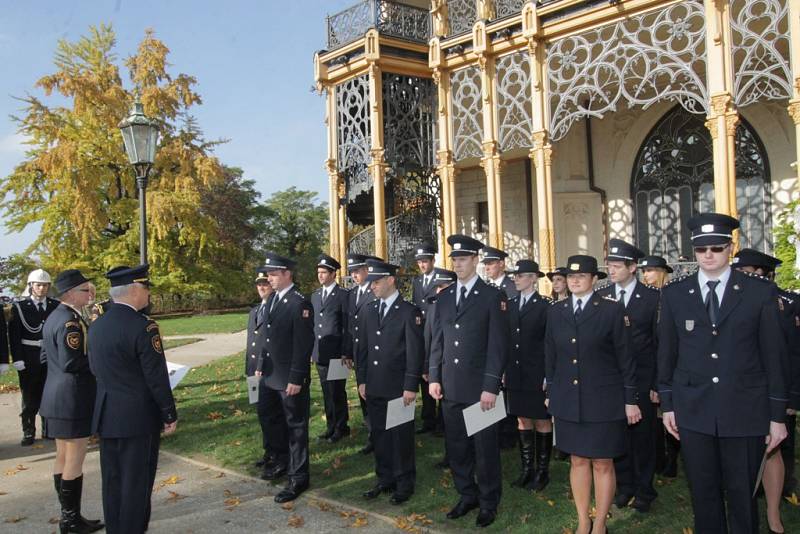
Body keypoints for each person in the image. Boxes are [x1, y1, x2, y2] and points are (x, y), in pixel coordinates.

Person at [658, 213, 788, 533]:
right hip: (694, 410)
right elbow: (667, 354)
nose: (708, 255)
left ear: (731, 247)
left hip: (745, 410)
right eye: (701, 249)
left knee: (743, 494)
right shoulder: (675, 293)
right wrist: (668, 405)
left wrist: (777, 416)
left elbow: (775, 357)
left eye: (716, 248)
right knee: (703, 494)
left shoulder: (759, 292)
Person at [545, 254, 641, 534]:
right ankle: (583, 519)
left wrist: (630, 400)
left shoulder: (611, 311)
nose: (574, 280)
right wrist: (551, 389)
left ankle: (600, 522)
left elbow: (626, 359)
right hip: (568, 398)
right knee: (577, 460)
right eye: (570, 276)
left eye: (581, 276)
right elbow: (550, 355)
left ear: (594, 280)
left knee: (602, 462)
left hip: (603, 399)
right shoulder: (556, 311)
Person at [88, 264, 177, 534]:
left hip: (107, 415)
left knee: (113, 482)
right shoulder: (144, 327)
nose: (148, 294)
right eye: (146, 287)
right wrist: (168, 413)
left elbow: (94, 369)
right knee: (136, 485)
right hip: (138, 418)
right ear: (135, 289)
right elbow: (156, 377)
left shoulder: (97, 326)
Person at [429, 234, 509, 528]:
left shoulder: (491, 296)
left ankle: (489, 502)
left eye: (463, 259)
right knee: (458, 447)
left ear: (476, 260)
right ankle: (467, 494)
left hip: (479, 389)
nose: (459, 264)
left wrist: (491, 386)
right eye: (455, 260)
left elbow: (498, 345)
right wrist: (435, 376)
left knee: (485, 450)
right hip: (451, 386)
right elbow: (438, 340)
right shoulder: (445, 296)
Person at [732, 248, 800, 534]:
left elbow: (793, 354)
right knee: (738, 454)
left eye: (751, 274)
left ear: (765, 275)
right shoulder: (725, 300)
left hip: (773, 391)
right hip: (736, 392)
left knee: (772, 452)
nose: (746, 279)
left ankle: (773, 514)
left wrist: (792, 397)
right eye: (742, 273)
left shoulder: (788, 302)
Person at [597, 239, 660, 513]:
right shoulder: (602, 296)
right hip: (612, 379)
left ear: (632, 267)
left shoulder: (653, 298)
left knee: (643, 437)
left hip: (643, 379)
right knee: (618, 435)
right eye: (609, 265)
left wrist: (658, 383)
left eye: (616, 265)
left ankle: (645, 490)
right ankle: (625, 486)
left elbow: (660, 343)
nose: (611, 270)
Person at [356, 259, 424, 504]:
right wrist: (362, 380)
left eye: (376, 282)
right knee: (380, 435)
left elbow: (415, 353)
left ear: (390, 280)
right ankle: (384, 478)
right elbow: (362, 349)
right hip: (374, 385)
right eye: (370, 282)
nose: (371, 286)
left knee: (400, 437)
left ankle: (404, 482)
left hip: (397, 387)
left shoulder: (408, 312)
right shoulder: (369, 310)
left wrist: (409, 386)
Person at [40, 270, 103, 533]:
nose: (90, 295)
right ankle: (70, 520)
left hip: (56, 396)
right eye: (85, 291)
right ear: (69, 294)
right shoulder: (69, 322)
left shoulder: (56, 316)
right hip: (72, 399)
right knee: (74, 459)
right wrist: (100, 362)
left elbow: (46, 358)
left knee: (63, 457)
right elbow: (71, 362)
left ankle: (71, 517)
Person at [255, 252, 314, 503]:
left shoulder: (299, 303)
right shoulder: (273, 299)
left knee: (296, 428)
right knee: (271, 420)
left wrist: (297, 378)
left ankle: (298, 477)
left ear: (287, 274)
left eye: (273, 274)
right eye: (268, 274)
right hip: (270, 375)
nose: (269, 278)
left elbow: (303, 344)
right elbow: (265, 338)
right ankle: (280, 462)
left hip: (288, 378)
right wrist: (259, 364)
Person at [505, 259, 552, 491]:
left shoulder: (545, 306)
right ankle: (527, 469)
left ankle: (542, 472)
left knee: (542, 420)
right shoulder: (510, 305)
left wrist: (547, 375)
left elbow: (549, 344)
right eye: (515, 275)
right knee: (522, 419)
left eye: (521, 275)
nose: (516, 278)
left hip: (536, 372)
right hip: (515, 372)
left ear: (534, 278)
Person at [638, 255, 680, 478]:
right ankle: (659, 458)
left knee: (671, 410)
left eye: (651, 270)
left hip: (672, 362)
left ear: (663, 271)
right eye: (644, 271)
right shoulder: (647, 297)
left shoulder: (671, 295)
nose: (647, 275)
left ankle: (672, 459)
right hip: (653, 362)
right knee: (656, 416)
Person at [9, 268, 59, 445]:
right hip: (29, 355)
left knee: (49, 394)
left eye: (45, 285)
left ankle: (49, 429)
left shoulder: (55, 306)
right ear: (31, 286)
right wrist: (18, 358)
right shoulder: (20, 308)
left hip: (51, 356)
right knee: (29, 396)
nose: (42, 289)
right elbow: (14, 335)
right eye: (38, 285)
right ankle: (28, 430)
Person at [310, 254, 351, 444]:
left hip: (337, 353)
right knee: (326, 392)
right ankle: (330, 426)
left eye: (324, 272)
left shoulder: (344, 295)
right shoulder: (315, 296)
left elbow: (346, 326)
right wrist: (312, 351)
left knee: (337, 391)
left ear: (334, 274)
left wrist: (346, 351)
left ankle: (342, 428)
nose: (320, 276)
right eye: (318, 272)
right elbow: (313, 325)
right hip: (320, 352)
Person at [481, 246, 518, 450]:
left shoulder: (511, 288)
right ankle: (495, 432)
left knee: (506, 395)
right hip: (489, 346)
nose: (487, 267)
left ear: (502, 264)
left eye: (491, 263)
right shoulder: (486, 288)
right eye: (485, 264)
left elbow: (511, 324)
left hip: (507, 347)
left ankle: (507, 435)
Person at [423, 268, 457, 469]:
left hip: (458, 371)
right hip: (440, 368)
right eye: (437, 287)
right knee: (446, 416)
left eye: (443, 286)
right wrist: (428, 367)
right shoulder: (435, 305)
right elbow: (430, 339)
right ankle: (450, 455)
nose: (439, 290)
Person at [346, 253, 379, 455]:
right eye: (352, 272)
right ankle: (371, 433)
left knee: (375, 395)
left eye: (357, 271)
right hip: (359, 354)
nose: (354, 275)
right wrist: (348, 352)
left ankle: (379, 435)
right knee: (363, 394)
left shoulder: (375, 291)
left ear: (367, 270)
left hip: (374, 353)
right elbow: (350, 327)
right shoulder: (352, 295)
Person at [245, 267, 276, 477]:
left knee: (271, 415)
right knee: (261, 414)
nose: (261, 287)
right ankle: (268, 451)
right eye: (259, 284)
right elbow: (251, 344)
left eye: (265, 283)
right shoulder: (255, 311)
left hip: (267, 371)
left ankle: (276, 453)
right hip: (253, 372)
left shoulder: (275, 309)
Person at [411, 242, 441, 435]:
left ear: (432, 260)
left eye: (425, 261)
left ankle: (442, 421)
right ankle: (428, 419)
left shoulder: (443, 278)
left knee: (438, 374)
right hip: (421, 332)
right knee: (424, 374)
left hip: (437, 330)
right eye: (419, 262)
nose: (422, 265)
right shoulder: (417, 281)